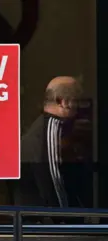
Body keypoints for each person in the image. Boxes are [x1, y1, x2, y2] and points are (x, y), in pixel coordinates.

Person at [17, 76, 89, 214]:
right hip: (47, 223)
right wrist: (66, 218)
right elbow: (53, 179)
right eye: (78, 101)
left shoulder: (50, 128)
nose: (80, 108)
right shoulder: (52, 128)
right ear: (63, 102)